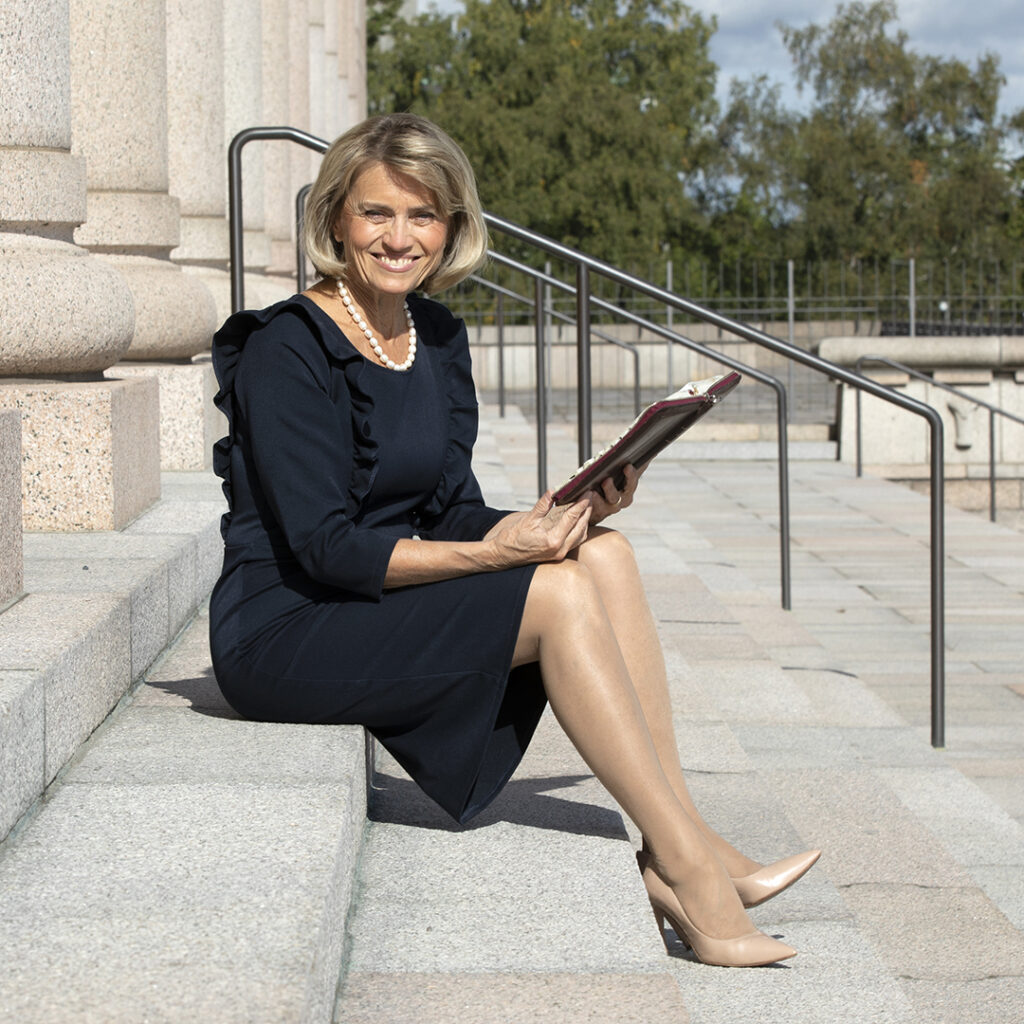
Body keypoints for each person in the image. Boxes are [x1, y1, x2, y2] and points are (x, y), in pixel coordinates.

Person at [209, 113, 819, 968]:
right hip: (288, 622)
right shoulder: (286, 348)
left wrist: (573, 514)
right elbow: (324, 548)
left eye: (424, 216)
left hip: (371, 596)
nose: (399, 237)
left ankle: (680, 838)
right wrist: (503, 556)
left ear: (452, 228)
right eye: (377, 213)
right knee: (557, 589)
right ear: (337, 219)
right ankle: (691, 870)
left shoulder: (436, 337)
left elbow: (448, 505)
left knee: (600, 556)